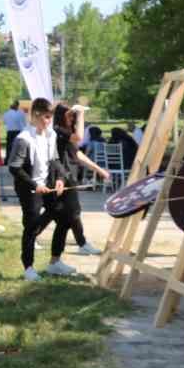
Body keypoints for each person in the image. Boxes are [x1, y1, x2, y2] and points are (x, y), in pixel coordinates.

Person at [7, 98, 89, 282]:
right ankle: (28, 268)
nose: (48, 121)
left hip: (48, 185)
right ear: (35, 115)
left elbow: (55, 160)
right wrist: (35, 186)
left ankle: (55, 262)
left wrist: (60, 178)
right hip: (29, 188)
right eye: (45, 117)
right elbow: (14, 168)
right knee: (32, 226)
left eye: (50, 117)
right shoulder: (23, 139)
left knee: (66, 217)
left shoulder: (50, 134)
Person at [48, 104, 109, 273]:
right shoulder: (58, 129)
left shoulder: (66, 131)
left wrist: (99, 169)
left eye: (73, 115)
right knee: (67, 217)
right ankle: (56, 260)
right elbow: (79, 137)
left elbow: (77, 154)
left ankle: (62, 256)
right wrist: (81, 113)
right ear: (61, 116)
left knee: (70, 216)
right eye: (70, 115)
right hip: (62, 178)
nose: (73, 117)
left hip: (70, 177)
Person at [3, 100, 28, 165]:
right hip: (18, 131)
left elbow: (5, 122)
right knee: (20, 147)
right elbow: (24, 123)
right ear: (17, 106)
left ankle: (7, 161)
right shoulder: (21, 113)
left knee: (9, 147)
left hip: (10, 131)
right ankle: (20, 161)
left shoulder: (6, 114)